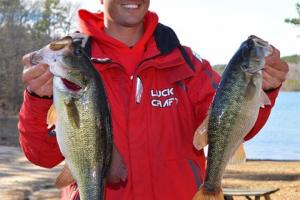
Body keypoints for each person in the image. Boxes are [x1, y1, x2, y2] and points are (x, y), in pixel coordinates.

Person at [18, 0, 289, 199]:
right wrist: (38, 98)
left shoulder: (188, 65)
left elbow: (233, 127)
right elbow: (41, 155)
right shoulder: (69, 64)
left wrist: (266, 87)